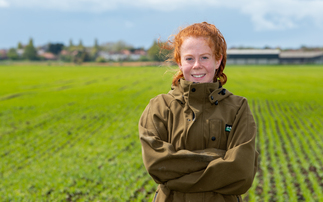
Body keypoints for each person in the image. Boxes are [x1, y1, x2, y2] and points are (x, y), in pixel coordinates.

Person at [138, 22, 258, 202]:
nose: (196, 65)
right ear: (179, 61)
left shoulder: (238, 108)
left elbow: (241, 173)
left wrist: (175, 177)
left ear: (218, 60)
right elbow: (157, 165)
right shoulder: (159, 107)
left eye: (204, 57)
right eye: (189, 58)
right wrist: (218, 157)